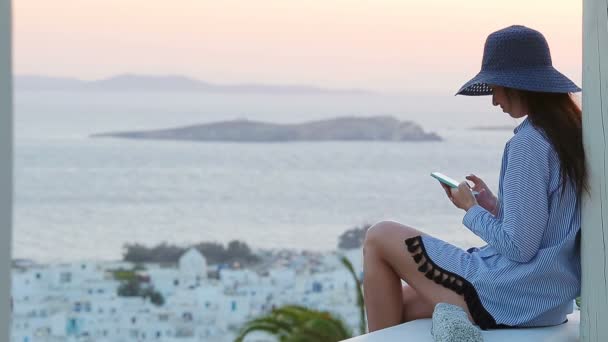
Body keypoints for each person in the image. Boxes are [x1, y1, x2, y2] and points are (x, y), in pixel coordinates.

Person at [362, 24, 584, 332]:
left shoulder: (529, 144)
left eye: (495, 89)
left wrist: (471, 208)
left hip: (511, 295)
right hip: (546, 300)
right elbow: (545, 229)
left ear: (516, 86)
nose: (495, 101)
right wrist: (494, 206)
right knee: (400, 303)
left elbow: (520, 248)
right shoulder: (569, 136)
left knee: (380, 234)